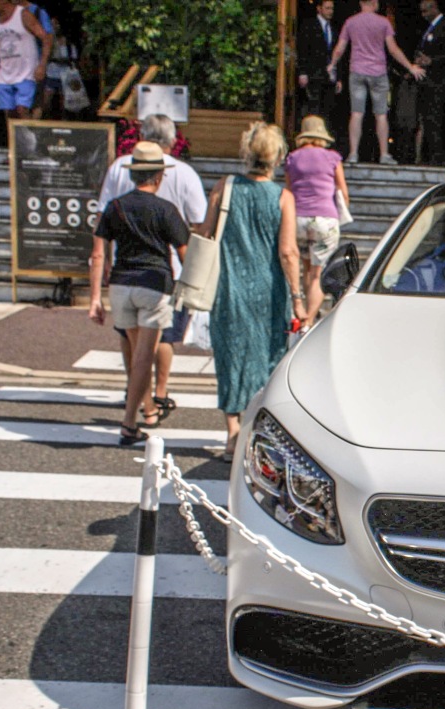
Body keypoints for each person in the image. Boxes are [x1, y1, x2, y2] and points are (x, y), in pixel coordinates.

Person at [199, 123, 304, 461]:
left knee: (231, 357)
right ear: (277, 157)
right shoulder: (282, 197)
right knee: (266, 359)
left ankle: (232, 433)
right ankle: (254, 431)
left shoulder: (224, 187)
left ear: (247, 152)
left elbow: (205, 233)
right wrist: (298, 297)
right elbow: (288, 251)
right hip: (268, 291)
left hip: (228, 287)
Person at [99, 114, 208, 422]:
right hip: (166, 272)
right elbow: (198, 223)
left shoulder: (119, 168)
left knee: (128, 336)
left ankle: (134, 393)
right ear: (172, 141)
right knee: (163, 339)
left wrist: (106, 263)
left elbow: (102, 218)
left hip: (124, 269)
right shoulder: (185, 173)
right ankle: (157, 394)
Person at [87, 142, 190, 447]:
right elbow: (186, 254)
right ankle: (129, 423)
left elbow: (98, 253)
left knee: (136, 354)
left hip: (120, 285)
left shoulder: (115, 206)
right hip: (154, 284)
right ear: (159, 176)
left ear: (134, 175)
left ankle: (147, 410)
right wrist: (192, 292)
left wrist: (95, 296)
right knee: (144, 357)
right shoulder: (165, 210)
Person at [326, 0, 424, 165]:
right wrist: (410, 67)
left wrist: (332, 64)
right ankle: (384, 154)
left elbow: (339, 48)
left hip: (357, 71)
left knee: (356, 114)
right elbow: (393, 49)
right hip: (378, 73)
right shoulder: (383, 22)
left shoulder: (351, 22)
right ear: (372, 3)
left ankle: (353, 153)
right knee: (381, 115)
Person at [285, 114, 349, 327]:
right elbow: (342, 189)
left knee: (305, 267)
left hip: (298, 218)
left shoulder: (293, 158)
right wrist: (344, 210)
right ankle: (308, 320)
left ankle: (304, 311)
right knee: (317, 273)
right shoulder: (332, 157)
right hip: (324, 218)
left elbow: (288, 189)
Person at [0, 0, 50, 122]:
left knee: (22, 109)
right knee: (9, 113)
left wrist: (42, 65)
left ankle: (30, 139)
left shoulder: (23, 15)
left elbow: (46, 38)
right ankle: (14, 140)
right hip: (5, 74)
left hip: (27, 72)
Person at [413, 0, 445, 166]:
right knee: (427, 120)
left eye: (425, 11)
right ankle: (428, 155)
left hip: (438, 81)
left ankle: (438, 157)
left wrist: (431, 60)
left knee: (435, 119)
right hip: (427, 81)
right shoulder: (429, 28)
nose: (423, 15)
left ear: (434, 8)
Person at [296, 0, 340, 135]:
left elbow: (337, 53)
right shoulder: (309, 25)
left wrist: (339, 78)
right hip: (313, 73)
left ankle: (323, 138)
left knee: (328, 109)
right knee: (313, 108)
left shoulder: (333, 28)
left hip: (329, 75)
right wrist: (302, 72)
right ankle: (311, 137)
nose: (330, 11)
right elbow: (303, 49)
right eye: (327, 8)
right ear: (319, 9)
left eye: (332, 8)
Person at [39, 15, 76, 119]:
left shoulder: (68, 43)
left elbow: (73, 58)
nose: (54, 26)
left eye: (55, 24)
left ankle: (64, 122)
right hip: (51, 74)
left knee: (64, 103)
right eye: (51, 24)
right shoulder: (48, 42)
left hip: (65, 75)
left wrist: (61, 60)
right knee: (46, 101)